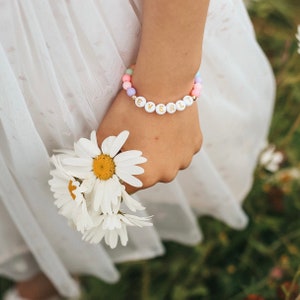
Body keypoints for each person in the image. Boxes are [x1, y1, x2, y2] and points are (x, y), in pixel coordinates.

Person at [0, 0, 275, 299]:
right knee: (24, 177)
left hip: (81, 35)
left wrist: (164, 93)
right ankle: (51, 264)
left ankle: (55, 271)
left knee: (62, 152)